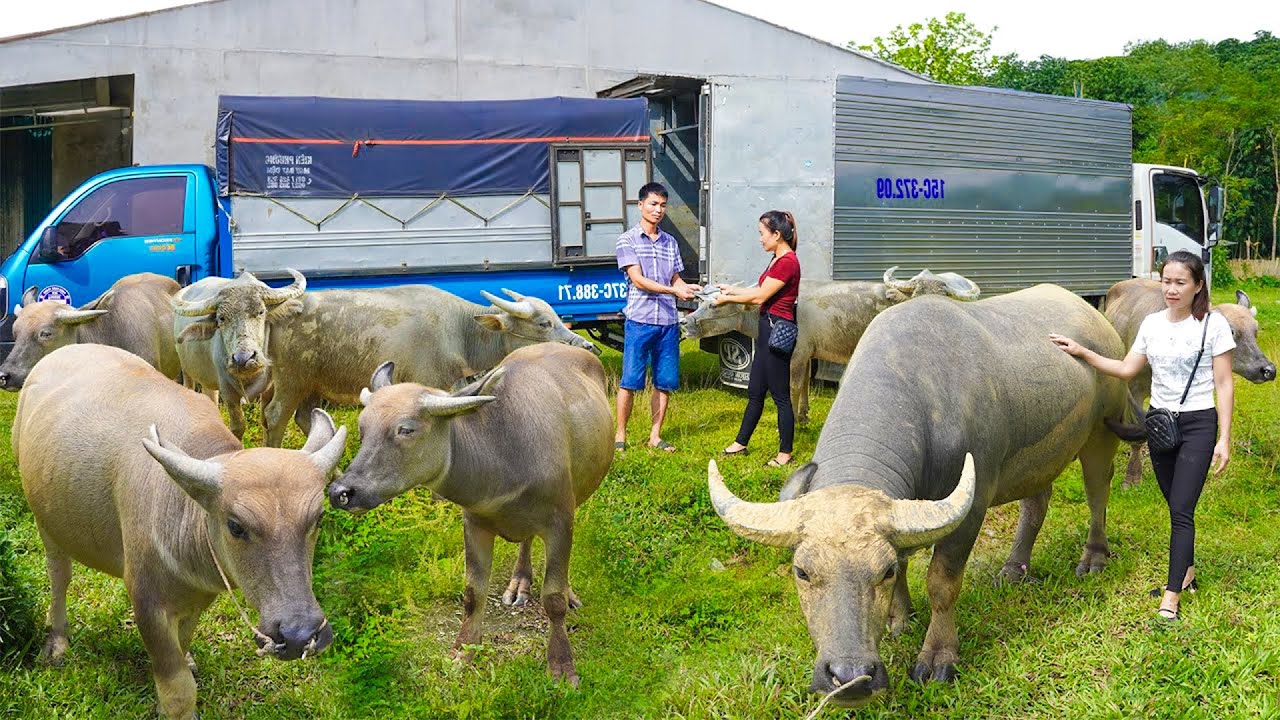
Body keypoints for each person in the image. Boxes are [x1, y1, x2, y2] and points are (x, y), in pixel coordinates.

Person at [1050, 250, 1234, 622]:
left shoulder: (1213, 325)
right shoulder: (1152, 324)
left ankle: (1171, 595)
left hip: (1199, 422)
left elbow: (1224, 382)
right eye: (1166, 280)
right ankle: (1188, 574)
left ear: (1198, 286)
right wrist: (1083, 351)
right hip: (1160, 424)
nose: (1171, 289)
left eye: (1180, 282)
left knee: (1181, 510)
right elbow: (1125, 368)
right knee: (1175, 505)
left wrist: (1224, 438)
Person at [614, 182, 700, 453]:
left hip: (667, 323)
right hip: (639, 321)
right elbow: (638, 281)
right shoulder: (627, 240)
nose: (658, 210)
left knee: (664, 383)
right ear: (640, 205)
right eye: (653, 204)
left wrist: (685, 287)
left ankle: (655, 435)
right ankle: (620, 436)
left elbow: (675, 277)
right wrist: (673, 290)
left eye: (662, 205)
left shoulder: (670, 242)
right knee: (630, 381)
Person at [718, 210, 802, 468]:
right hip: (766, 329)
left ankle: (785, 454)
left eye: (762, 233)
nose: (760, 239)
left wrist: (728, 299)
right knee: (755, 391)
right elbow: (760, 290)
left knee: (780, 396)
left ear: (777, 235)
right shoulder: (777, 259)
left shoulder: (788, 262)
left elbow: (759, 298)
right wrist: (733, 289)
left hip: (777, 332)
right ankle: (741, 443)